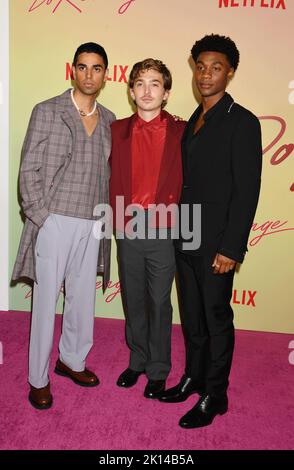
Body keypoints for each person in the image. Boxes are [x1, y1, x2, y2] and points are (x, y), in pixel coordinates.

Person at [159, 34, 262, 428]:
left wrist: (232, 247)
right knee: (193, 318)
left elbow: (246, 190)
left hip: (218, 243)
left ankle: (215, 396)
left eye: (216, 67)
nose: (206, 74)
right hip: (185, 236)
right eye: (200, 66)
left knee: (216, 319)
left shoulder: (243, 121)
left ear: (230, 72)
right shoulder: (194, 120)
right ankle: (194, 378)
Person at [12, 42, 115, 409]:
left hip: (92, 223)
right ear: (73, 70)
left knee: (82, 299)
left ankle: (72, 359)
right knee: (44, 303)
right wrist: (42, 216)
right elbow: (28, 169)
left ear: (106, 73)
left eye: (97, 68)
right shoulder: (47, 111)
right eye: (83, 67)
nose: (90, 75)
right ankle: (37, 378)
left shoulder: (110, 119)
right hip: (53, 220)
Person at [110, 59, 186, 399]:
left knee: (159, 300)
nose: (147, 91)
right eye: (140, 83)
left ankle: (158, 368)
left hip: (165, 226)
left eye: (155, 84)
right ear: (130, 91)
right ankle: (137, 359)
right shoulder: (116, 130)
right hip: (127, 226)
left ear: (166, 92)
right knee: (134, 297)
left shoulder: (183, 132)